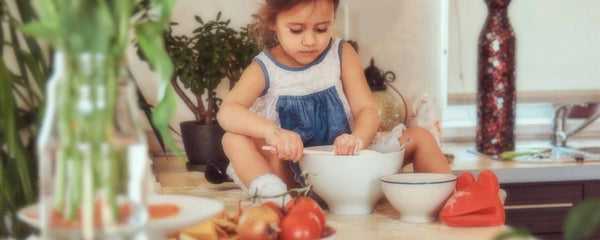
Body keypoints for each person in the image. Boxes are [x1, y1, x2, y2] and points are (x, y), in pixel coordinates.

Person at [217, 0, 451, 206]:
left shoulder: (341, 53)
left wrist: (357, 139)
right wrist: (273, 132)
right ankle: (275, 200)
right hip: (293, 179)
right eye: (296, 30)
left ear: (332, 19)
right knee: (232, 138)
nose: (310, 41)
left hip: (349, 168)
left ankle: (452, 199)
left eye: (321, 28)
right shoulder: (264, 68)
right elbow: (227, 112)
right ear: (272, 20)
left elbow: (366, 109)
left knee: (421, 136)